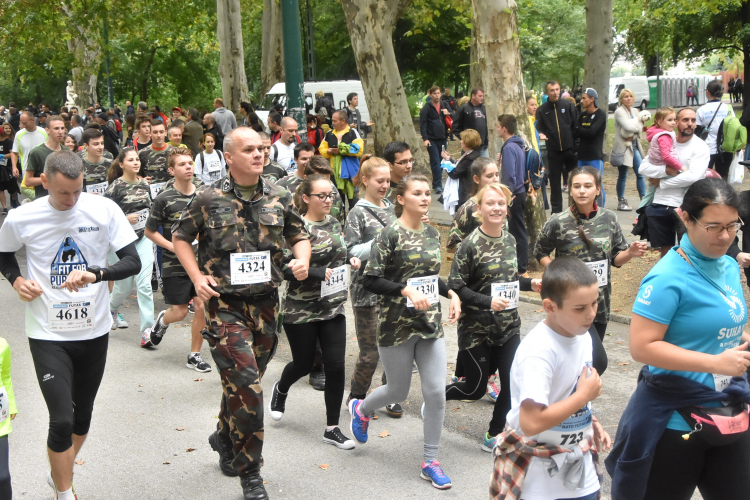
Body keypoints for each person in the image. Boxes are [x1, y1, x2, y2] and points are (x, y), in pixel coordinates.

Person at [172, 127, 310, 500]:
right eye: (249, 149)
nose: (258, 154)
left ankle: (223, 435)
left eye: (261, 149)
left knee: (242, 384)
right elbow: (180, 237)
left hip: (266, 305)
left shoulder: (279, 195)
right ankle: (251, 473)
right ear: (229, 157)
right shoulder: (208, 197)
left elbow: (299, 234)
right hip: (224, 306)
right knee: (248, 386)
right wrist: (196, 277)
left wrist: (302, 259)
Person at [0, 150, 141, 500]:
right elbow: (3, 254)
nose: (71, 199)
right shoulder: (22, 217)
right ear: (44, 182)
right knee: (62, 419)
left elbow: (132, 261)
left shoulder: (104, 209)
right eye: (63, 193)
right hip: (47, 332)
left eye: (77, 191)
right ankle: (65, 493)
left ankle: (58, 473)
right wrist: (17, 281)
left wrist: (96, 273)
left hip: (93, 329)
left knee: (82, 417)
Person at [606, 178, 750, 500]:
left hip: (729, 410)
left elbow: (715, 325)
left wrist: (743, 339)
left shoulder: (727, 266)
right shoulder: (667, 277)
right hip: (676, 420)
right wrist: (715, 362)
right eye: (713, 226)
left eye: (732, 225)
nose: (725, 236)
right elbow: (642, 346)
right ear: (685, 217)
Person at [348, 174, 461, 490]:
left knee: (436, 391)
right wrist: (405, 291)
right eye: (417, 193)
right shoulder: (389, 235)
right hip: (396, 326)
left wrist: (450, 292)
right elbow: (370, 280)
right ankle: (362, 408)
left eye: (428, 193)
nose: (425, 198)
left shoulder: (430, 233)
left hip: (429, 325)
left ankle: (430, 461)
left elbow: (429, 277)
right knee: (397, 391)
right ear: (401, 199)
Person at [490, 257, 612, 500]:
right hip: (538, 477)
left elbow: (569, 390)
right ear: (550, 306)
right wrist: (582, 397)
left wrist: (591, 420)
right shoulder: (539, 351)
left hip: (579, 464)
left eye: (594, 303)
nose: (590, 314)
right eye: (580, 308)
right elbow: (531, 423)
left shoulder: (583, 335)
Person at [446, 183, 541, 452]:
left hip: (508, 327)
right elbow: (456, 286)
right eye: (490, 203)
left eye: (501, 203)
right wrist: (488, 301)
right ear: (480, 209)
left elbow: (508, 280)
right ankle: (437, 399)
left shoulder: (511, 240)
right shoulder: (469, 245)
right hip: (476, 329)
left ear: (507, 209)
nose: (496, 207)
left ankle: (494, 432)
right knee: (475, 388)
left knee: (512, 381)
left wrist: (530, 283)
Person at [269, 174, 358, 449]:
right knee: (304, 364)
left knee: (335, 366)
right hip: (301, 308)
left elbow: (339, 253)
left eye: (331, 195)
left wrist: (350, 259)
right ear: (306, 198)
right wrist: (315, 272)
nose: (329, 199)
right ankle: (281, 388)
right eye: (322, 195)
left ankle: (332, 428)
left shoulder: (333, 222)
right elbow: (280, 267)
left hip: (333, 306)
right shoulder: (295, 228)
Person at [535, 166, 647, 374]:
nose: (582, 191)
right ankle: (570, 399)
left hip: (600, 302)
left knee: (584, 362)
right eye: (576, 186)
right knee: (597, 361)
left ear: (598, 190)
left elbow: (615, 259)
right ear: (570, 190)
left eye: (588, 186)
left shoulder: (609, 218)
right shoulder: (558, 221)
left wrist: (630, 252)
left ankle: (573, 400)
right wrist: (559, 274)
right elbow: (540, 251)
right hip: (572, 302)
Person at [146, 148, 211, 372]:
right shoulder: (164, 198)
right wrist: (173, 246)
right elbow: (149, 231)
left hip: (201, 261)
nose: (188, 167)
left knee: (201, 305)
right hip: (174, 262)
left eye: (190, 163)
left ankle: (194, 355)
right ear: (171, 170)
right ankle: (163, 320)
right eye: (182, 164)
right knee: (180, 311)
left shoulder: (204, 194)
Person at [344, 156, 400, 415]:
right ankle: (356, 398)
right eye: (380, 180)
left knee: (394, 346)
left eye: (388, 180)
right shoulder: (357, 212)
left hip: (393, 289)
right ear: (365, 180)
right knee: (371, 352)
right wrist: (383, 239)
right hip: (366, 291)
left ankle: (390, 393)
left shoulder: (390, 207)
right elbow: (351, 249)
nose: (385, 185)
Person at [639, 108, 711, 257]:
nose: (690, 124)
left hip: (686, 206)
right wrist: (666, 171)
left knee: (688, 251)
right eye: (685, 120)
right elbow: (643, 167)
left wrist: (662, 183)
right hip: (660, 204)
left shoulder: (701, 147)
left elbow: (694, 176)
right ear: (676, 122)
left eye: (693, 120)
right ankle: (668, 279)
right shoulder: (663, 140)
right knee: (666, 253)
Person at [104, 148, 156, 344]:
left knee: (144, 285)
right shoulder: (114, 188)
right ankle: (112, 307)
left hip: (143, 238)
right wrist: (125, 219)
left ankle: (147, 331)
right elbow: (104, 218)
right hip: (121, 243)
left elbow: (150, 209)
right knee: (123, 287)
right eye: (131, 160)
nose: (136, 163)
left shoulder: (144, 184)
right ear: (121, 164)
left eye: (137, 160)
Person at [535, 80, 579, 213]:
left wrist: (575, 147)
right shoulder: (542, 110)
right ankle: (556, 212)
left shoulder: (568, 105)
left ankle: (575, 209)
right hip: (553, 151)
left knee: (574, 181)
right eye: (552, 90)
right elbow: (539, 127)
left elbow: (575, 126)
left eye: (557, 89)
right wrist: (542, 134)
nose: (555, 92)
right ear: (547, 93)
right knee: (555, 183)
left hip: (570, 150)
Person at [496, 114, 529, 276]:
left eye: (498, 126)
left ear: (504, 128)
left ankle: (521, 266)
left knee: (517, 231)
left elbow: (509, 176)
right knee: (518, 228)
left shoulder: (509, 147)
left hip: (514, 194)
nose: (496, 129)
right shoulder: (517, 145)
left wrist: (507, 196)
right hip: (520, 191)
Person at [446, 157, 499, 251]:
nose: (495, 179)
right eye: (489, 176)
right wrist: (476, 252)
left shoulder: (501, 205)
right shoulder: (468, 208)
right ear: (476, 179)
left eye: (497, 175)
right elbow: (451, 245)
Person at [320, 109, 364, 209]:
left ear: (343, 121)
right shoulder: (329, 134)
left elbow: (359, 150)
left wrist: (341, 151)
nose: (332, 123)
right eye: (332, 120)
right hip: (334, 173)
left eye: (335, 121)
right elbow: (321, 149)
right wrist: (328, 152)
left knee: (354, 201)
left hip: (351, 173)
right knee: (337, 203)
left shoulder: (353, 133)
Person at [612, 88, 647, 211]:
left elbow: (638, 128)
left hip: (635, 146)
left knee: (640, 173)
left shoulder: (636, 111)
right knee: (623, 174)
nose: (628, 98)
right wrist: (638, 129)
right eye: (626, 96)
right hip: (624, 147)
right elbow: (627, 127)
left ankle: (644, 200)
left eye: (630, 96)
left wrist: (636, 131)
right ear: (621, 99)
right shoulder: (619, 112)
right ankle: (621, 200)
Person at [697, 80, 734, 179]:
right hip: (725, 148)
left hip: (707, 149)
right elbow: (733, 126)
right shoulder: (728, 108)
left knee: (703, 178)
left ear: (707, 92)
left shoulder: (701, 110)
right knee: (723, 178)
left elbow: (697, 132)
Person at [576, 88, 607, 206]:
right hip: (581, 156)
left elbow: (592, 132)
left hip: (594, 156)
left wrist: (580, 130)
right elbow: (576, 132)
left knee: (597, 184)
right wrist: (581, 130)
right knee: (581, 183)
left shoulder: (600, 115)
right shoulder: (582, 115)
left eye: (584, 98)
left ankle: (600, 210)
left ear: (592, 99)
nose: (582, 101)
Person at [25, 115, 68, 199]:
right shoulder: (37, 152)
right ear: (47, 130)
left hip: (64, 200)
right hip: (44, 200)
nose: (60, 132)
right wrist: (50, 179)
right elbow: (28, 181)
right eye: (56, 128)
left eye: (62, 128)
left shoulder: (67, 151)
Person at [420, 85, 451, 194]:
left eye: (438, 93)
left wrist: (448, 113)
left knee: (442, 161)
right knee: (435, 161)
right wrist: (425, 139)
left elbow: (452, 116)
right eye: (434, 94)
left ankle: (436, 183)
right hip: (431, 139)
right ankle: (438, 185)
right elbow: (422, 124)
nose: (437, 96)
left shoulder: (444, 104)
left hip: (443, 138)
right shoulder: (426, 108)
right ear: (431, 94)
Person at [441, 129, 482, 209]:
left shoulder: (471, 158)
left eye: (462, 140)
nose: (460, 141)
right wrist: (449, 159)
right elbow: (460, 167)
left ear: (467, 142)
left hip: (465, 193)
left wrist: (446, 163)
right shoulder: (471, 155)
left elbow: (454, 173)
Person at [11, 111, 48, 199]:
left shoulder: (43, 132)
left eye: (25, 123)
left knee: (44, 193)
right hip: (27, 169)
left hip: (43, 169)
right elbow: (14, 152)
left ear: (32, 120)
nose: (23, 125)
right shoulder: (19, 134)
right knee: (29, 193)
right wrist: (14, 167)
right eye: (21, 123)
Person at [138, 119, 173, 198]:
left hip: (171, 195)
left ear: (165, 132)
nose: (158, 135)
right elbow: (136, 174)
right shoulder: (142, 153)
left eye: (161, 132)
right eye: (155, 132)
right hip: (151, 196)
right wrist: (141, 180)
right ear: (150, 133)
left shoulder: (175, 152)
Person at [0, 336, 16, 498]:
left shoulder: (2, 345)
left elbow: (5, 376)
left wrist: (11, 404)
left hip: (0, 422)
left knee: (2, 477)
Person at [452, 88, 489, 157]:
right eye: (480, 96)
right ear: (473, 96)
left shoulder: (483, 108)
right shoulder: (463, 108)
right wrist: (465, 138)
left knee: (485, 166)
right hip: (470, 146)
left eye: (482, 96)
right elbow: (455, 126)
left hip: (483, 145)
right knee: (469, 166)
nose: (482, 98)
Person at [80, 128, 112, 196]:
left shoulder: (112, 165)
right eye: (96, 144)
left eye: (102, 143)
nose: (100, 147)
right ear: (86, 146)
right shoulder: (78, 167)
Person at [0, 123, 19, 212]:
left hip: (8, 167)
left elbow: (13, 153)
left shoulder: (9, 142)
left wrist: (3, 156)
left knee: (12, 187)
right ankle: (4, 207)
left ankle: (14, 199)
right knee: (0, 188)